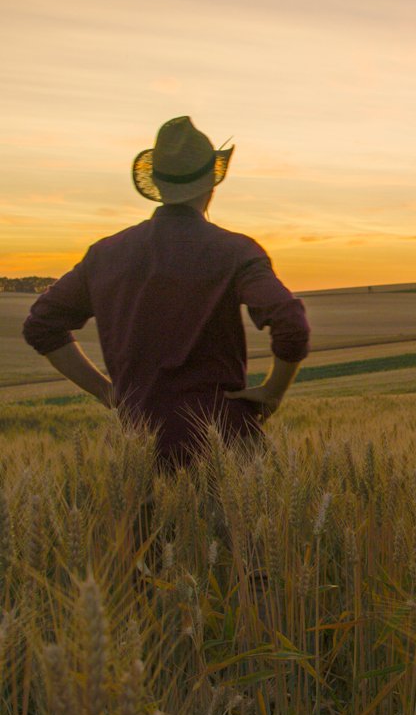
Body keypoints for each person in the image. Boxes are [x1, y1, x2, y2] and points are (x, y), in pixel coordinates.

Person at [23, 116, 310, 470]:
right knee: (234, 528)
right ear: (212, 183)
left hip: (142, 451)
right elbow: (291, 323)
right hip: (228, 448)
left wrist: (109, 393)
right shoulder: (235, 251)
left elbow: (41, 325)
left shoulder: (105, 255)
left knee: (148, 528)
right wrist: (271, 393)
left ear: (157, 182)